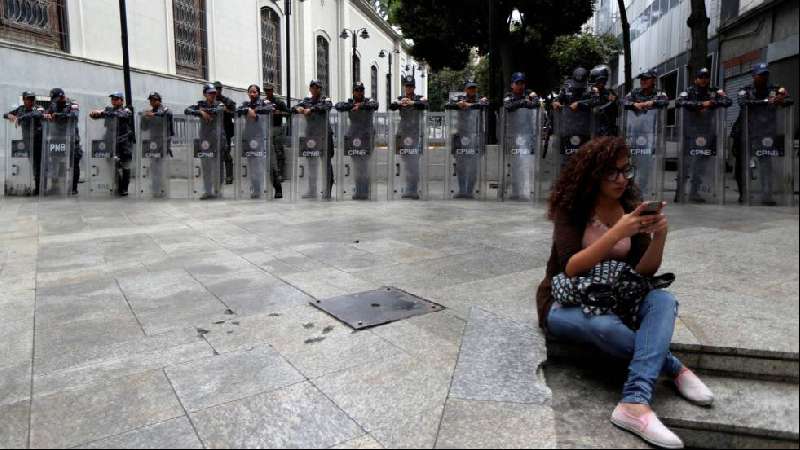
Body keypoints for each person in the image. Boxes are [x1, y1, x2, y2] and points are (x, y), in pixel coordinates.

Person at [537, 136, 714, 449]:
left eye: (626, 170)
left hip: (618, 296)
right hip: (566, 302)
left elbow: (643, 274)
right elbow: (570, 268)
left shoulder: (630, 206)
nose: (622, 179)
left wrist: (660, 236)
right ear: (593, 174)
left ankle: (633, 401)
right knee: (603, 327)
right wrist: (617, 232)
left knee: (663, 299)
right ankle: (673, 367)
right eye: (613, 173)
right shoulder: (573, 209)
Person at [730, 62, 793, 205]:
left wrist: (781, 98)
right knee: (742, 164)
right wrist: (769, 101)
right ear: (754, 76)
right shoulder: (745, 90)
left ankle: (767, 195)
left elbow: (789, 100)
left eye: (765, 75)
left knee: (766, 163)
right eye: (760, 75)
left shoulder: (775, 89)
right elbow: (743, 103)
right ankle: (743, 194)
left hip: (765, 133)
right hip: (746, 132)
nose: (763, 78)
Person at [675, 68, 731, 203]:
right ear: (696, 79)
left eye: (706, 77)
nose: (704, 80)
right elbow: (679, 102)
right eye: (701, 77)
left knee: (700, 165)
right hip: (689, 132)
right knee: (686, 163)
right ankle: (680, 192)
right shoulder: (689, 91)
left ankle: (694, 192)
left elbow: (728, 101)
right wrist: (701, 104)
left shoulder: (714, 91)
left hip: (707, 133)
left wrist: (712, 104)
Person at [623, 70, 669, 195]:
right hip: (635, 134)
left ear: (654, 79)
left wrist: (652, 102)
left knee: (646, 164)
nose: (643, 81)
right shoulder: (634, 92)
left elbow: (665, 101)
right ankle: (629, 190)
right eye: (641, 79)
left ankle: (641, 191)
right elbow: (623, 102)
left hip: (651, 134)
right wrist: (634, 104)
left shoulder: (659, 93)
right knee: (632, 163)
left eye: (646, 79)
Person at [335, 82, 379, 200]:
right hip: (354, 137)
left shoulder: (369, 101)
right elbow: (338, 106)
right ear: (353, 92)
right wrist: (352, 106)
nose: (359, 92)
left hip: (366, 137)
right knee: (357, 165)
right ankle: (359, 189)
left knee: (364, 164)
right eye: (357, 90)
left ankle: (364, 191)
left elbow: (375, 105)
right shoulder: (350, 102)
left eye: (361, 90)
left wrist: (360, 106)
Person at [445, 80, 489, 199]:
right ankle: (462, 191)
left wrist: (469, 105)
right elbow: (447, 105)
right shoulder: (458, 99)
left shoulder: (481, 100)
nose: (472, 91)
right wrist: (458, 104)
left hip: (475, 136)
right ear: (465, 89)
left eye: (474, 88)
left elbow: (485, 105)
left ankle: (470, 191)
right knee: (461, 166)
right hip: (461, 136)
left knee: (473, 166)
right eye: (469, 88)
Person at [389, 75, 429, 199]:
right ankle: (408, 188)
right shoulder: (401, 99)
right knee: (406, 163)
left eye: (411, 86)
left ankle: (413, 190)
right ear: (404, 87)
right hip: (403, 135)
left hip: (415, 135)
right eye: (407, 86)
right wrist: (400, 103)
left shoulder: (419, 98)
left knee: (414, 163)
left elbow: (425, 105)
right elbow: (392, 106)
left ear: (414, 87)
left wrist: (411, 102)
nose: (409, 88)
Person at [503, 72, 541, 200]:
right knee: (515, 165)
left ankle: (525, 192)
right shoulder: (508, 96)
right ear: (512, 85)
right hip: (513, 135)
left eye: (522, 83)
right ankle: (515, 193)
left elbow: (536, 104)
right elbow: (508, 106)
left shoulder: (529, 94)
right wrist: (523, 103)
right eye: (517, 83)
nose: (520, 86)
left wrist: (529, 99)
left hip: (527, 134)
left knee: (525, 163)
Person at [293, 80, 334, 199]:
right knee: (311, 163)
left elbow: (326, 106)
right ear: (310, 89)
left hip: (324, 135)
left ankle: (327, 190)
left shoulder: (325, 99)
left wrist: (311, 110)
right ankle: (312, 189)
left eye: (318, 88)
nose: (315, 90)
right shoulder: (306, 101)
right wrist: (299, 109)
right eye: (313, 87)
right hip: (310, 136)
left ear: (320, 89)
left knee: (326, 163)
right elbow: (294, 107)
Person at [89, 92, 135, 196]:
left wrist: (102, 113)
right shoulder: (108, 110)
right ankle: (118, 185)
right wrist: (94, 114)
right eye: (112, 99)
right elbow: (99, 116)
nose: (113, 101)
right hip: (110, 141)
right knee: (111, 163)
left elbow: (119, 115)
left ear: (121, 100)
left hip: (124, 142)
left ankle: (124, 188)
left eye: (116, 99)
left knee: (125, 165)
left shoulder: (127, 110)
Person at [185, 84, 225, 200]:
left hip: (217, 139)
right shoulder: (200, 105)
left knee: (217, 166)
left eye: (214, 93)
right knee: (206, 166)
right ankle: (207, 191)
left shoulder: (220, 104)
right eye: (210, 93)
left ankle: (217, 190)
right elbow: (187, 110)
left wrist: (202, 110)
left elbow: (215, 111)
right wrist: (201, 112)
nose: (213, 95)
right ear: (204, 94)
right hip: (205, 139)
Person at [237, 84, 274, 199]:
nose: (252, 94)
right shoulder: (246, 104)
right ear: (248, 93)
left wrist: (255, 112)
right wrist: (248, 110)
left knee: (259, 165)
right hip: (249, 138)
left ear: (258, 93)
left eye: (255, 92)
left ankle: (259, 188)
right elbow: (237, 109)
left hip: (260, 138)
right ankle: (255, 188)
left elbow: (271, 108)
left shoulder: (264, 103)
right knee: (251, 165)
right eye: (250, 92)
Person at [4, 91, 44, 195]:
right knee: (32, 164)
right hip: (27, 141)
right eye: (28, 99)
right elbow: (6, 114)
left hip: (38, 141)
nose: (31, 101)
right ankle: (32, 185)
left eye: (32, 99)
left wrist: (20, 118)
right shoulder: (20, 109)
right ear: (24, 99)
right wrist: (9, 116)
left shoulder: (38, 107)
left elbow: (37, 114)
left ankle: (39, 189)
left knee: (38, 165)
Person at [43, 88, 82, 195]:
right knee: (55, 162)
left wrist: (58, 115)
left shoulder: (72, 104)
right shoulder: (53, 105)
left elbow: (74, 116)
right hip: (57, 138)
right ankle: (55, 186)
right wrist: (46, 115)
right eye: (54, 99)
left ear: (62, 96)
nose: (55, 101)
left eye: (57, 99)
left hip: (71, 138)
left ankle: (73, 187)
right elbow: (47, 113)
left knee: (74, 162)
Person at [140, 92, 174, 198]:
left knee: (161, 167)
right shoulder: (149, 112)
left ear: (159, 100)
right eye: (150, 100)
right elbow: (144, 128)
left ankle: (163, 189)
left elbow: (167, 114)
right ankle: (155, 188)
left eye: (154, 100)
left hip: (163, 142)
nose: (152, 102)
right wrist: (144, 118)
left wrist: (153, 115)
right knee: (154, 167)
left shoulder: (165, 110)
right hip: (153, 142)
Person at [265, 83, 289, 198]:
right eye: (266, 90)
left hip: (277, 127)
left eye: (269, 90)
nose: (268, 92)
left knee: (279, 151)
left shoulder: (278, 102)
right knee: (269, 153)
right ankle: (273, 175)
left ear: (272, 90)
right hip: (266, 129)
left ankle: (280, 174)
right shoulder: (264, 102)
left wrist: (278, 113)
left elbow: (288, 112)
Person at [213, 81, 237, 185]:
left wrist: (226, 110)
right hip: (213, 131)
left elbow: (235, 113)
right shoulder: (210, 101)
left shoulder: (226, 101)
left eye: (218, 89)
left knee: (226, 153)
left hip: (225, 131)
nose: (217, 91)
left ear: (221, 90)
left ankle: (229, 176)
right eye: (215, 89)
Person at [587, 65, 620, 137]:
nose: (602, 83)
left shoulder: (610, 93)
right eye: (600, 81)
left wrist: (614, 101)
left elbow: (617, 110)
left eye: (603, 81)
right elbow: (592, 105)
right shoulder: (589, 93)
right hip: (590, 129)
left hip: (607, 130)